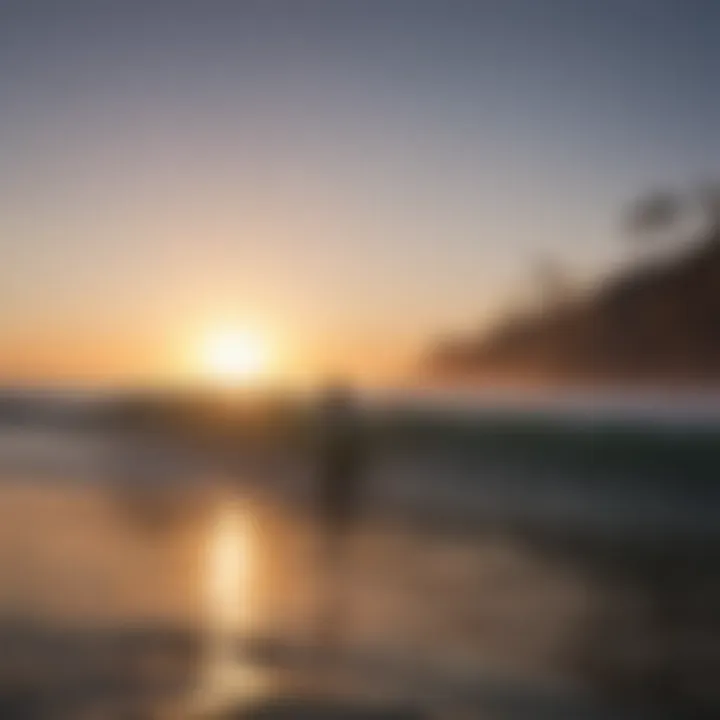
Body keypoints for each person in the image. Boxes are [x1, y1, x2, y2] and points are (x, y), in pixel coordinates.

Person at [313, 380, 365, 652]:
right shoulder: (340, 417)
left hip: (339, 462)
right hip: (339, 462)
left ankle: (337, 521)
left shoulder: (338, 417)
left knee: (335, 497)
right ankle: (338, 522)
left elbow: (345, 448)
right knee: (335, 499)